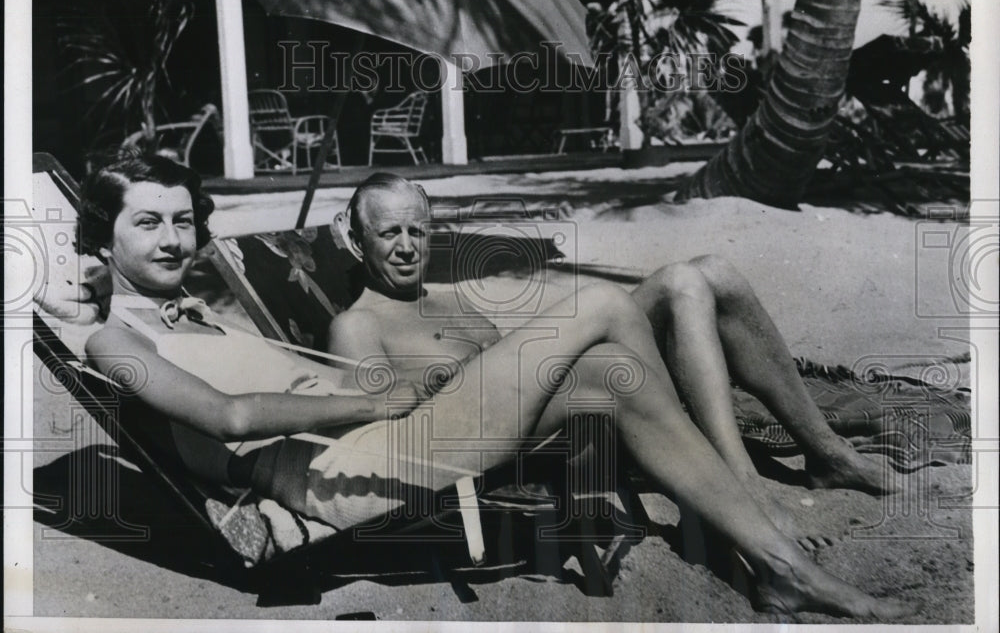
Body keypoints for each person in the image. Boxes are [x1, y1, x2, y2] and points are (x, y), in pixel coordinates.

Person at [80, 154, 906, 619]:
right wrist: (373, 397)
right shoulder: (113, 338)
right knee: (604, 303)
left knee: (604, 368)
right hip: (336, 474)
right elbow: (229, 415)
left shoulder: (196, 316)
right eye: (147, 222)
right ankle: (764, 534)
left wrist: (387, 393)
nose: (173, 235)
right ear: (104, 236)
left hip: (373, 436)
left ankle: (770, 562)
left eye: (182, 218)